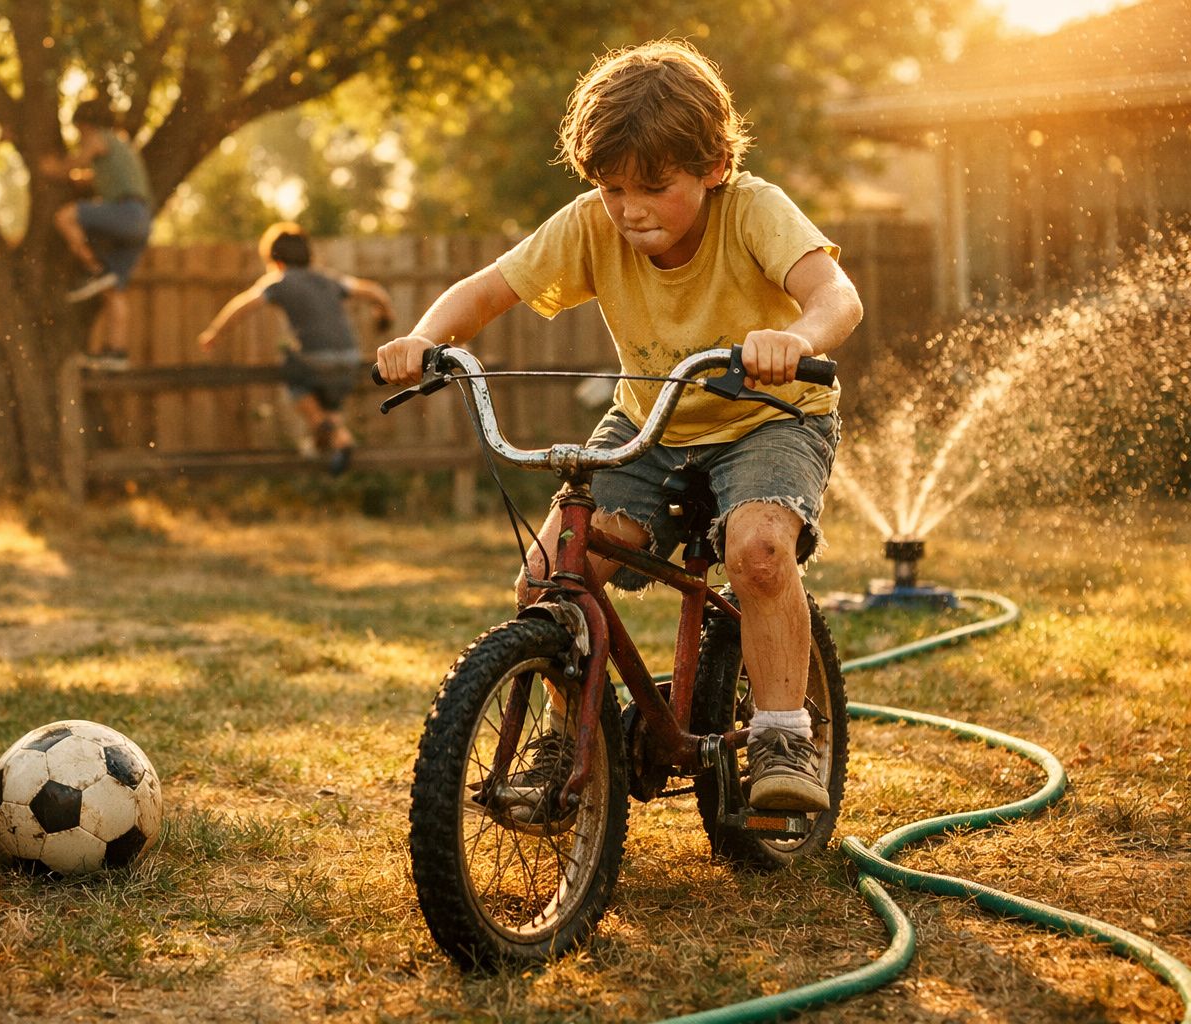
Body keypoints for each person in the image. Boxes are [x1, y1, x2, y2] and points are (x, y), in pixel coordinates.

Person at [375, 40, 863, 811]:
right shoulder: (589, 227)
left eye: (653, 187)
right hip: (651, 422)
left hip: (769, 419)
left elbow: (837, 296)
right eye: (611, 188)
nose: (629, 208)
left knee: (760, 553)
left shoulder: (754, 211)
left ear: (712, 167)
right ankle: (565, 741)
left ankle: (782, 734)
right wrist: (427, 340)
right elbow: (486, 290)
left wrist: (795, 339)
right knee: (547, 581)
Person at [198, 222, 394, 474]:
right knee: (330, 405)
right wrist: (384, 312)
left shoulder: (279, 281)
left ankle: (325, 428)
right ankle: (338, 444)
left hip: (314, 360)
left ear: (274, 260)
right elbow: (374, 290)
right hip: (348, 359)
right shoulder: (329, 279)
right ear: (308, 255)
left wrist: (214, 333)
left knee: (292, 370)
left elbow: (243, 305)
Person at [41, 98, 155, 366]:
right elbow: (92, 177)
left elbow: (77, 162)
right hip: (142, 221)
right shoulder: (121, 146)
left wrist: (54, 169)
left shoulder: (98, 137)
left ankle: (93, 269)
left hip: (126, 213)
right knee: (114, 290)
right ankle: (116, 353)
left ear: (84, 124)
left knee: (65, 217)